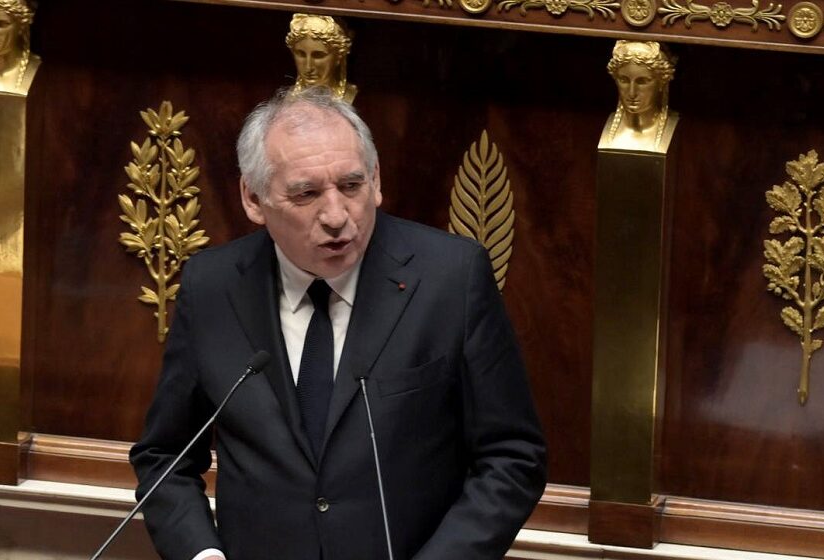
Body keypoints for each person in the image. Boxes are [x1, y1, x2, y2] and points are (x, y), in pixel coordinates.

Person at [130, 87, 546, 560]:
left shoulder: (451, 278)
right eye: (306, 193)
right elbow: (165, 456)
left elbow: (512, 457)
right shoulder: (212, 287)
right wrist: (201, 555)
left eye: (351, 186)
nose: (336, 217)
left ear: (376, 179)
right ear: (253, 198)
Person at [601, 40, 678, 152]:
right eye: (624, 80)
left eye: (642, 81)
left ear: (662, 82)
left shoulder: (674, 127)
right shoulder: (603, 128)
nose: (632, 93)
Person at [286, 14, 358, 103]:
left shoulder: (352, 95)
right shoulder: (288, 97)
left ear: (339, 56)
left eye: (318, 55)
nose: (308, 67)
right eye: (301, 54)